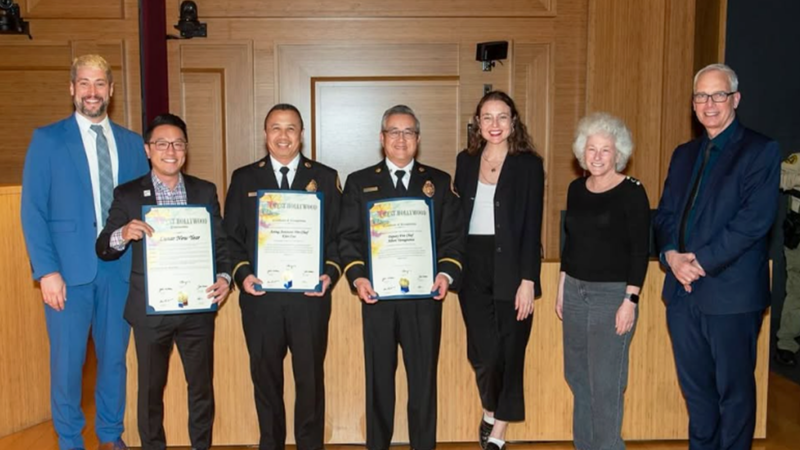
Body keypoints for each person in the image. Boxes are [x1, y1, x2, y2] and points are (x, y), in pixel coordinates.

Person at [20, 54, 150, 450]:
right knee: (67, 365)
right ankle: (70, 440)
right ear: (72, 88)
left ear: (111, 90)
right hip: (67, 273)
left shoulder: (131, 143)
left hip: (120, 270)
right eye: (84, 84)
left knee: (114, 360)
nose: (92, 92)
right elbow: (33, 210)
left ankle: (110, 435)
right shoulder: (47, 139)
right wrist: (46, 271)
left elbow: (143, 208)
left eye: (99, 84)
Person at [653, 63, 780, 450]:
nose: (709, 104)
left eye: (718, 95)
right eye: (701, 96)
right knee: (699, 398)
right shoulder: (683, 153)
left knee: (735, 397)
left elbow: (753, 223)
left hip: (731, 296)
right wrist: (672, 256)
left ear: (735, 99)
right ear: (693, 104)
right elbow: (666, 215)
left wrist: (699, 263)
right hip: (682, 294)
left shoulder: (761, 151)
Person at [95, 113, 231, 450]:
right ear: (147, 149)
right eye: (162, 143)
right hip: (150, 312)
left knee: (201, 389)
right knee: (151, 392)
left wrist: (225, 276)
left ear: (186, 149)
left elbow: (221, 243)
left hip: (197, 308)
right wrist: (123, 233)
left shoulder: (204, 190)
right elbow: (103, 248)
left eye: (178, 144)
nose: (170, 150)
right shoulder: (128, 195)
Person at [338, 104, 465, 450]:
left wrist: (445, 273)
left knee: (423, 382)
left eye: (408, 131)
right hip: (377, 298)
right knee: (379, 380)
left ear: (418, 139)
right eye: (393, 131)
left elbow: (453, 237)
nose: (401, 138)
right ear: (382, 139)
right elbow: (347, 238)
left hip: (424, 299)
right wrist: (359, 278)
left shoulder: (437, 182)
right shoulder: (359, 182)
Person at [223, 104, 342, 450]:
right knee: (266, 379)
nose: (283, 136)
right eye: (276, 128)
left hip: (310, 299)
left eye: (291, 128)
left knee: (309, 380)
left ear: (302, 134)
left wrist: (329, 275)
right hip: (261, 300)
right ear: (265, 134)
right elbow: (231, 238)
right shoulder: (244, 178)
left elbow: (338, 237)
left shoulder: (325, 177)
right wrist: (243, 276)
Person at [452, 91, 544, 450]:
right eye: (487, 117)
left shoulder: (529, 164)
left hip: (512, 266)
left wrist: (528, 280)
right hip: (473, 263)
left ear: (514, 122)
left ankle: (499, 431)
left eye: (502, 117)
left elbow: (532, 225)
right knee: (483, 352)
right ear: (477, 122)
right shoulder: (465, 160)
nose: (494, 125)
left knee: (511, 350)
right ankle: (491, 409)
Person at [556, 112, 649, 450]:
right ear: (582, 151)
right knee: (578, 379)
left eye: (605, 150)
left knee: (606, 385)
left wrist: (631, 301)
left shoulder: (632, 193)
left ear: (618, 153)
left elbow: (640, 251)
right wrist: (561, 287)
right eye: (591, 148)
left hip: (613, 298)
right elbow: (571, 244)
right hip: (576, 294)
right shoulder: (576, 189)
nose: (596, 156)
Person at [776, 152, 800, 367]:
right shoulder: (798, 160)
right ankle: (786, 343)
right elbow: (778, 177)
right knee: (797, 290)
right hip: (799, 237)